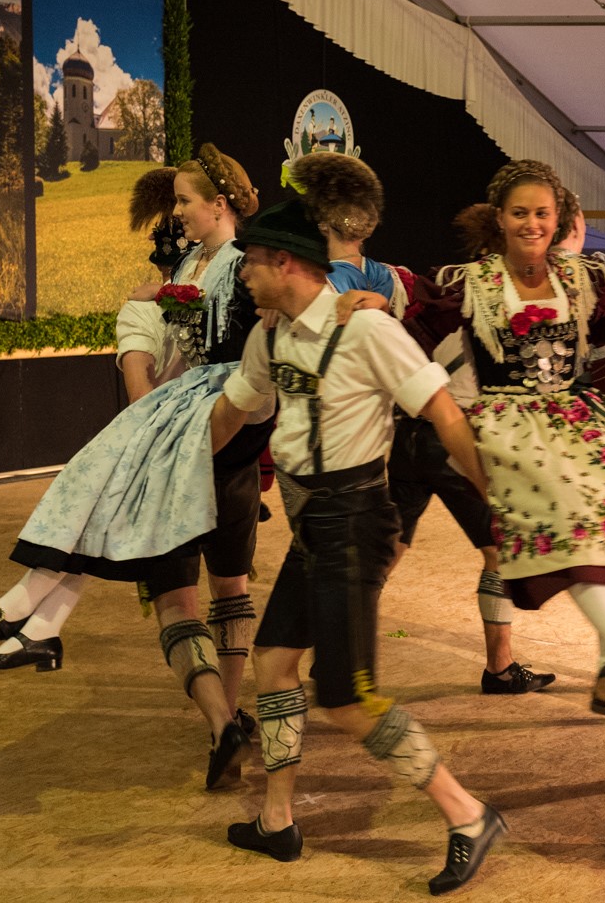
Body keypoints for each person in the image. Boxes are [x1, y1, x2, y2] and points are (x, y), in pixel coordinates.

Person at [0, 145, 275, 790]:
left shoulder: (240, 263)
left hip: (214, 428)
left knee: (174, 566)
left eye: (185, 201)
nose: (177, 212)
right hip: (199, 424)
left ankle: (35, 617)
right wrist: (163, 302)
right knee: (118, 499)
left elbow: (232, 344)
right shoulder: (197, 263)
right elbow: (173, 338)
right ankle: (42, 621)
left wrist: (165, 302)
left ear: (219, 204)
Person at [208, 199, 503, 890]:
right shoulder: (271, 334)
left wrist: (495, 498)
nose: (243, 275)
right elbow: (232, 410)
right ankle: (277, 820)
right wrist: (176, 473)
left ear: (285, 263)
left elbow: (443, 412)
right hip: (314, 525)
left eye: (252, 263)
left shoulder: (367, 328)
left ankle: (468, 814)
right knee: (274, 662)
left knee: (346, 697)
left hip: (356, 522)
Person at [286, 150, 552, 698]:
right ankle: (500, 668)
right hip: (440, 438)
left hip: (403, 439)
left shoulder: (391, 279)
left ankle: (327, 654)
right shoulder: (427, 285)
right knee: (501, 550)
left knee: (384, 556)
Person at [437, 160, 605, 715]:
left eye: (542, 213)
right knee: (569, 524)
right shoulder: (472, 282)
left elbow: (597, 321)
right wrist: (372, 302)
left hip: (577, 414)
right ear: (499, 219)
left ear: (558, 220)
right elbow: (416, 319)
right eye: (520, 213)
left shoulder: (575, 277)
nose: (532, 224)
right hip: (510, 423)